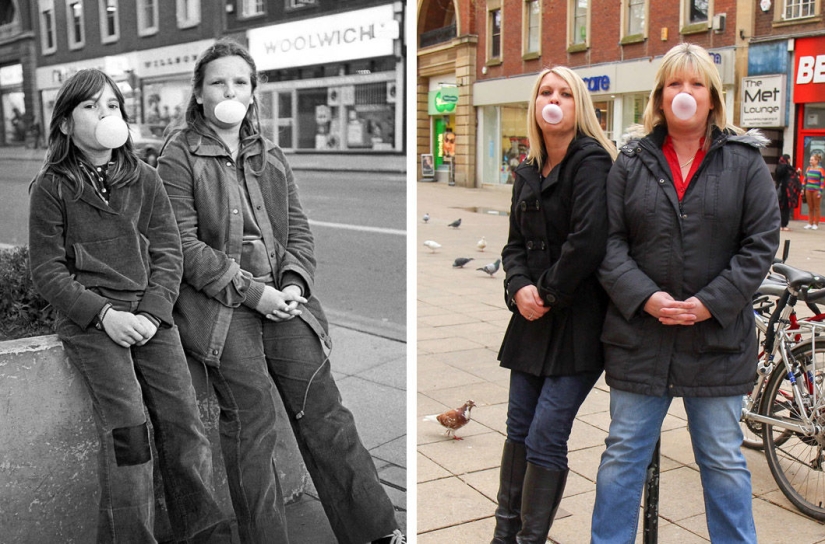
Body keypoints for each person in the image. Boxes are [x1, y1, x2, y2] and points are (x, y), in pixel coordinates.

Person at [156, 39, 404, 544]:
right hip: (226, 310)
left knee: (328, 416)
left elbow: (298, 231)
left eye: (240, 82)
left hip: (284, 302)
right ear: (200, 94)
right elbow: (180, 244)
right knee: (252, 430)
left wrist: (292, 283)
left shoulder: (270, 153)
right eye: (218, 82)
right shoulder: (179, 154)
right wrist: (253, 294)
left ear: (252, 94)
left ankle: (377, 534)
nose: (230, 90)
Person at [27, 68, 231, 543]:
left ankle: (204, 533)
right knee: (130, 434)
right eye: (90, 106)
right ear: (64, 124)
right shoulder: (51, 187)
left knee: (185, 424)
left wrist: (152, 313)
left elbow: (168, 251)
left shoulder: (145, 178)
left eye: (112, 105)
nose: (105, 114)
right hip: (94, 325)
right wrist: (103, 315)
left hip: (151, 318)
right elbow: (48, 271)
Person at [591, 43, 779, 543]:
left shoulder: (744, 161)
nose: (685, 93)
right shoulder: (630, 161)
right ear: (659, 96)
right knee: (623, 452)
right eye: (675, 83)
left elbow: (760, 245)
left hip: (716, 341)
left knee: (722, 458)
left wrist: (708, 303)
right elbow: (608, 244)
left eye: (696, 84)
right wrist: (646, 297)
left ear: (713, 99)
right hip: (640, 337)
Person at [491, 66, 616, 544]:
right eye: (546, 91)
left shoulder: (593, 161)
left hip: (578, 321)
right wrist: (518, 287)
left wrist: (543, 293)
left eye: (565, 93)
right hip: (531, 322)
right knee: (518, 427)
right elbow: (512, 246)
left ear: (578, 104)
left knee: (546, 432)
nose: (554, 100)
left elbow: (588, 240)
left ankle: (529, 540)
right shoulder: (528, 168)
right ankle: (504, 537)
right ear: (535, 103)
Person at [775, 153, 797, 231]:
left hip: (780, 189)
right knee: (786, 208)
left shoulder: (778, 167)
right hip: (786, 191)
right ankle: (784, 224)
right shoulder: (787, 167)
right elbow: (793, 174)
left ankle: (780, 224)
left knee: (780, 207)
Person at [803, 152, 825, 230]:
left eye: (812, 160)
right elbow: (805, 179)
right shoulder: (808, 168)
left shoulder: (821, 170)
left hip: (816, 190)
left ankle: (816, 223)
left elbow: (822, 182)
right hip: (808, 189)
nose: (810, 161)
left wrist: (820, 191)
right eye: (810, 160)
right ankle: (810, 223)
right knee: (810, 207)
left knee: (816, 207)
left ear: (816, 161)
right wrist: (803, 188)